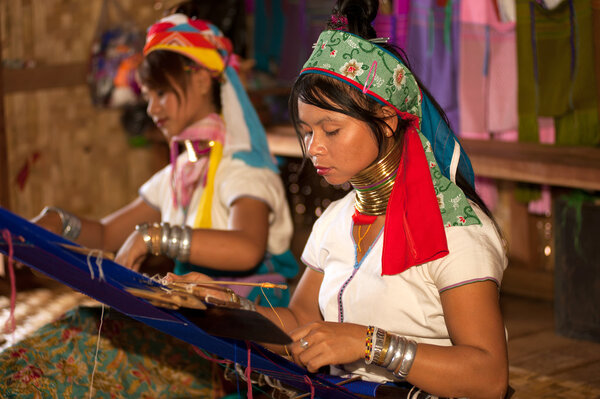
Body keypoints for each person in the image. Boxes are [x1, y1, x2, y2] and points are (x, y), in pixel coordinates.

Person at [169, 0, 510, 397]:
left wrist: (370, 344)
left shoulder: (456, 231)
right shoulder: (336, 220)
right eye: (307, 131)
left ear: (386, 121)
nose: (313, 148)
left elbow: (488, 378)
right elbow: (301, 321)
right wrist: (228, 307)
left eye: (330, 130)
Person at [33, 6, 297, 307]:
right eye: (147, 96)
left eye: (160, 93)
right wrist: (57, 222)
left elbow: (247, 248)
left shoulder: (243, 167)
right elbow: (106, 235)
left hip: (254, 332)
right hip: (205, 321)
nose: (151, 109)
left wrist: (154, 237)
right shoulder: (180, 173)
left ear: (199, 80)